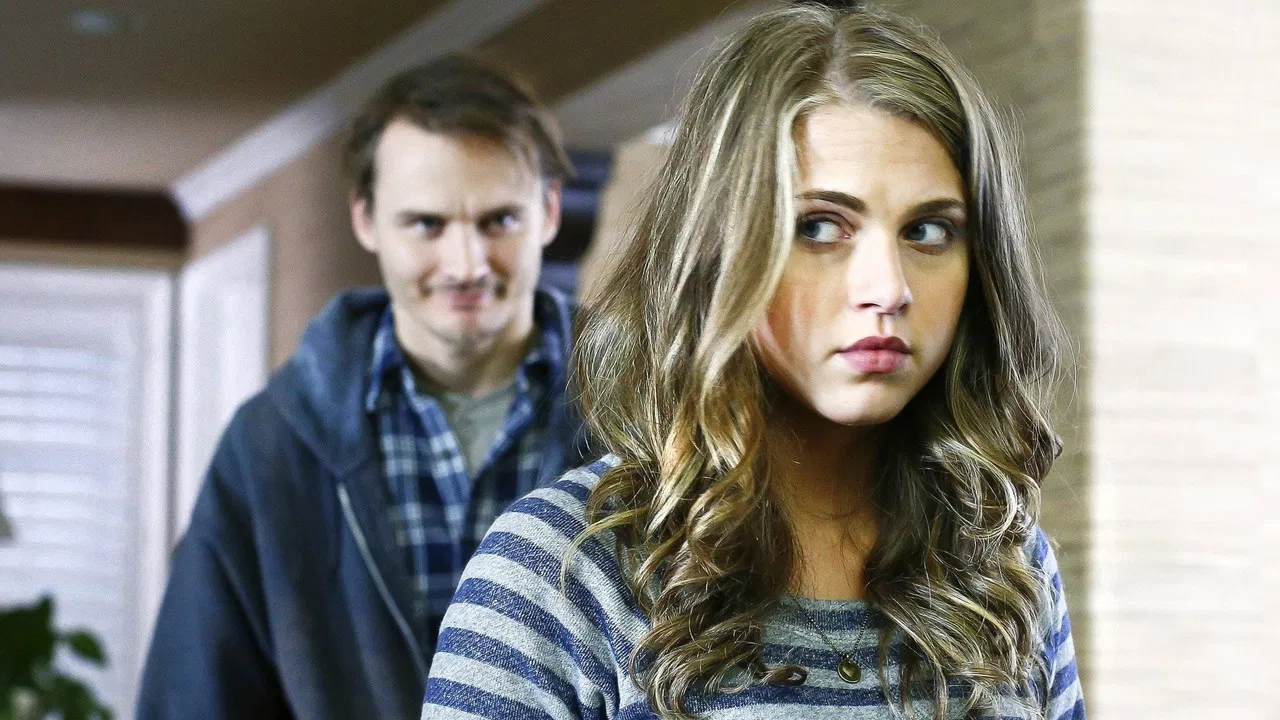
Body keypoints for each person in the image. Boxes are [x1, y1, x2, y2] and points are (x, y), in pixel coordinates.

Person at [423, 5, 1085, 719]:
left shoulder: (1006, 568)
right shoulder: (556, 571)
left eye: (928, 231)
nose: (888, 289)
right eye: (819, 226)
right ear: (716, 251)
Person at [137, 54, 587, 720]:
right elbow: (192, 700)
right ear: (366, 220)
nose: (466, 264)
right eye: (427, 224)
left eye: (499, 221)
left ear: (547, 212)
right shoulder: (268, 448)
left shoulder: (647, 419)